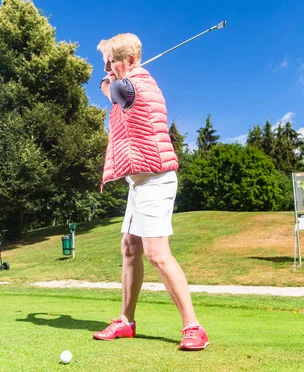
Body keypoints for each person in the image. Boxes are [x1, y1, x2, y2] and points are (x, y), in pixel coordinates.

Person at [93, 33, 209, 351]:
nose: (104, 67)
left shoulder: (132, 85)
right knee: (130, 248)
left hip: (155, 181)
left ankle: (194, 327)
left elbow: (111, 90)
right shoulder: (131, 81)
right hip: (139, 182)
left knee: (157, 253)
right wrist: (115, 72)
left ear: (130, 60)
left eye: (110, 61)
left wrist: (109, 80)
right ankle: (126, 321)